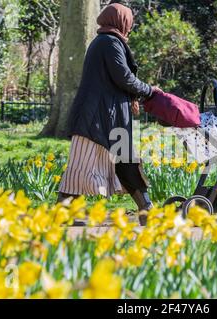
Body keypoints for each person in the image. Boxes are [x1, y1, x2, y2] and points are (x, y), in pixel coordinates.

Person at [57, 3, 161, 225]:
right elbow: (123, 77)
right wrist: (150, 90)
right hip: (95, 118)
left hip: (110, 117)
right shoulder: (108, 43)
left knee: (126, 162)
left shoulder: (107, 42)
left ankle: (147, 211)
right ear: (120, 21)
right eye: (129, 22)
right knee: (81, 167)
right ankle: (63, 213)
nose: (130, 27)